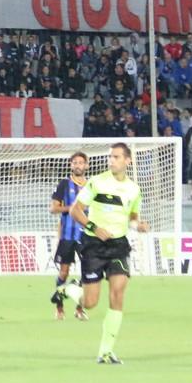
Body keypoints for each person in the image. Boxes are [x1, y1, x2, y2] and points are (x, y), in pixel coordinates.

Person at [66, 142, 148, 364]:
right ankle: (72, 289)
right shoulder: (97, 182)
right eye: (110, 157)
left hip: (118, 245)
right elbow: (75, 210)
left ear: (127, 161)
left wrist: (137, 225)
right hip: (93, 244)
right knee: (90, 302)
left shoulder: (134, 189)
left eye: (117, 157)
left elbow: (131, 217)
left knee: (118, 293)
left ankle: (106, 350)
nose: (112, 160)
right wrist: (94, 228)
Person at [48, 151, 90, 321]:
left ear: (86, 165)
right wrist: (72, 209)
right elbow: (53, 208)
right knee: (63, 273)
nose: (78, 165)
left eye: (81, 162)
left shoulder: (91, 186)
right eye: (75, 163)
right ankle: (59, 307)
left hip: (86, 236)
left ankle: (79, 309)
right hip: (67, 236)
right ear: (71, 165)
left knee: (88, 273)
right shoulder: (64, 184)